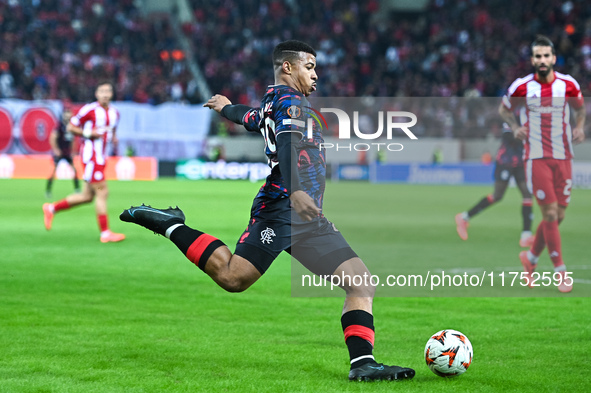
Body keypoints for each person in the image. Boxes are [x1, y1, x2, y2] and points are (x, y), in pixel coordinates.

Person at [120, 40, 415, 381]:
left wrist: (225, 107)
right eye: (310, 66)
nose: (316, 74)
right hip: (281, 208)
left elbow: (248, 118)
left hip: (309, 218)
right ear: (287, 67)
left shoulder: (274, 101)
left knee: (360, 282)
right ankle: (171, 225)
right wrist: (298, 191)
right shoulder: (291, 103)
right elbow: (289, 144)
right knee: (233, 277)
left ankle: (363, 364)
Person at [499, 35, 585, 293]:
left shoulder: (568, 84)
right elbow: (504, 109)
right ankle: (560, 271)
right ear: (533, 60)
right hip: (536, 158)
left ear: (553, 58)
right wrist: (514, 127)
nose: (542, 60)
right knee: (549, 214)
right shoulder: (522, 87)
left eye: (546, 55)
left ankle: (531, 258)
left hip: (564, 157)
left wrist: (579, 127)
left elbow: (580, 109)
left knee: (557, 216)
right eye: (538, 56)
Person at [43, 82, 125, 243]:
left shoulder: (115, 113)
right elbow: (71, 127)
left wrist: (113, 138)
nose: (105, 94)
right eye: (102, 91)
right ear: (96, 94)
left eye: (108, 91)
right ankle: (105, 233)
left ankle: (51, 208)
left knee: (87, 196)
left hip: (102, 157)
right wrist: (89, 133)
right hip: (91, 157)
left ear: (112, 94)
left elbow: (112, 131)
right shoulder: (89, 109)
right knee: (102, 192)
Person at [455, 124, 535, 247]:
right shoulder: (511, 115)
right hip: (506, 161)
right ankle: (464, 217)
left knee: (527, 194)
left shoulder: (529, 116)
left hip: (521, 161)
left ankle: (526, 235)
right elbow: (507, 136)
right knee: (497, 196)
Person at [46, 107, 80, 198]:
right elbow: (52, 137)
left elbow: (73, 140)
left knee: (74, 170)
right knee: (53, 171)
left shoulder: (72, 126)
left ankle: (77, 189)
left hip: (68, 153)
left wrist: (73, 151)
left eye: (69, 114)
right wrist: (56, 149)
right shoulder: (60, 126)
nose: (67, 115)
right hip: (60, 152)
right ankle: (48, 190)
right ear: (63, 115)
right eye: (66, 113)